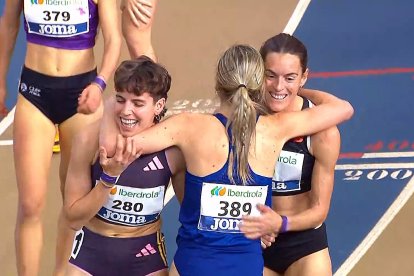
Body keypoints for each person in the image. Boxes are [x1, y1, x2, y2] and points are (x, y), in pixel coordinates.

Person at [100, 44, 353, 275]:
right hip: (246, 267)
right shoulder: (277, 128)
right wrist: (294, 87)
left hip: (192, 266)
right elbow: (343, 108)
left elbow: (116, 146)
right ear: (258, 85)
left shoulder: (189, 126)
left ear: (219, 83)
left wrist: (117, 100)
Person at [0, 0, 121, 274]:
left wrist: (99, 83)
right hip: (34, 93)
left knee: (74, 205)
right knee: (30, 204)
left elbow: (114, 38)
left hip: (82, 95)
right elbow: (8, 25)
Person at [63, 57, 185, 275]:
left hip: (145, 256)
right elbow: (73, 218)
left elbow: (190, 210)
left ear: (158, 106)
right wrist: (107, 179)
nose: (126, 111)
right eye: (120, 100)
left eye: (137, 103)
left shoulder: (173, 150)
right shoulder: (88, 140)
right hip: (90, 254)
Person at [240, 33, 339, 275]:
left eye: (290, 78)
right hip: (253, 240)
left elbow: (319, 209)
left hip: (304, 244)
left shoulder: (322, 131)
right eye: (270, 76)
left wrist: (280, 223)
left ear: (304, 77)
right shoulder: (242, 121)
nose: (279, 87)